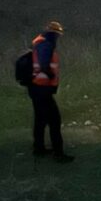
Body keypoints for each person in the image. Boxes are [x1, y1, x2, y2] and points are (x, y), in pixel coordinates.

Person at [29, 20, 74, 163]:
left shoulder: (38, 43)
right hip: (43, 88)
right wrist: (51, 75)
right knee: (55, 120)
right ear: (54, 34)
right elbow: (44, 65)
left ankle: (39, 148)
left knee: (41, 119)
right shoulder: (46, 44)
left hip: (36, 87)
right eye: (58, 34)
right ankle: (58, 154)